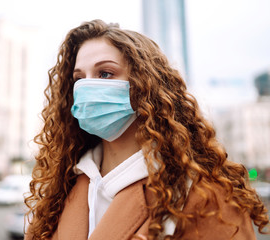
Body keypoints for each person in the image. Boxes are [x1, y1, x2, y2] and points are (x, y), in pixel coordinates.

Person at [24, 19, 269, 240]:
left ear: (145, 86)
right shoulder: (62, 187)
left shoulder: (204, 196)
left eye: (105, 73)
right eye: (79, 78)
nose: (88, 87)